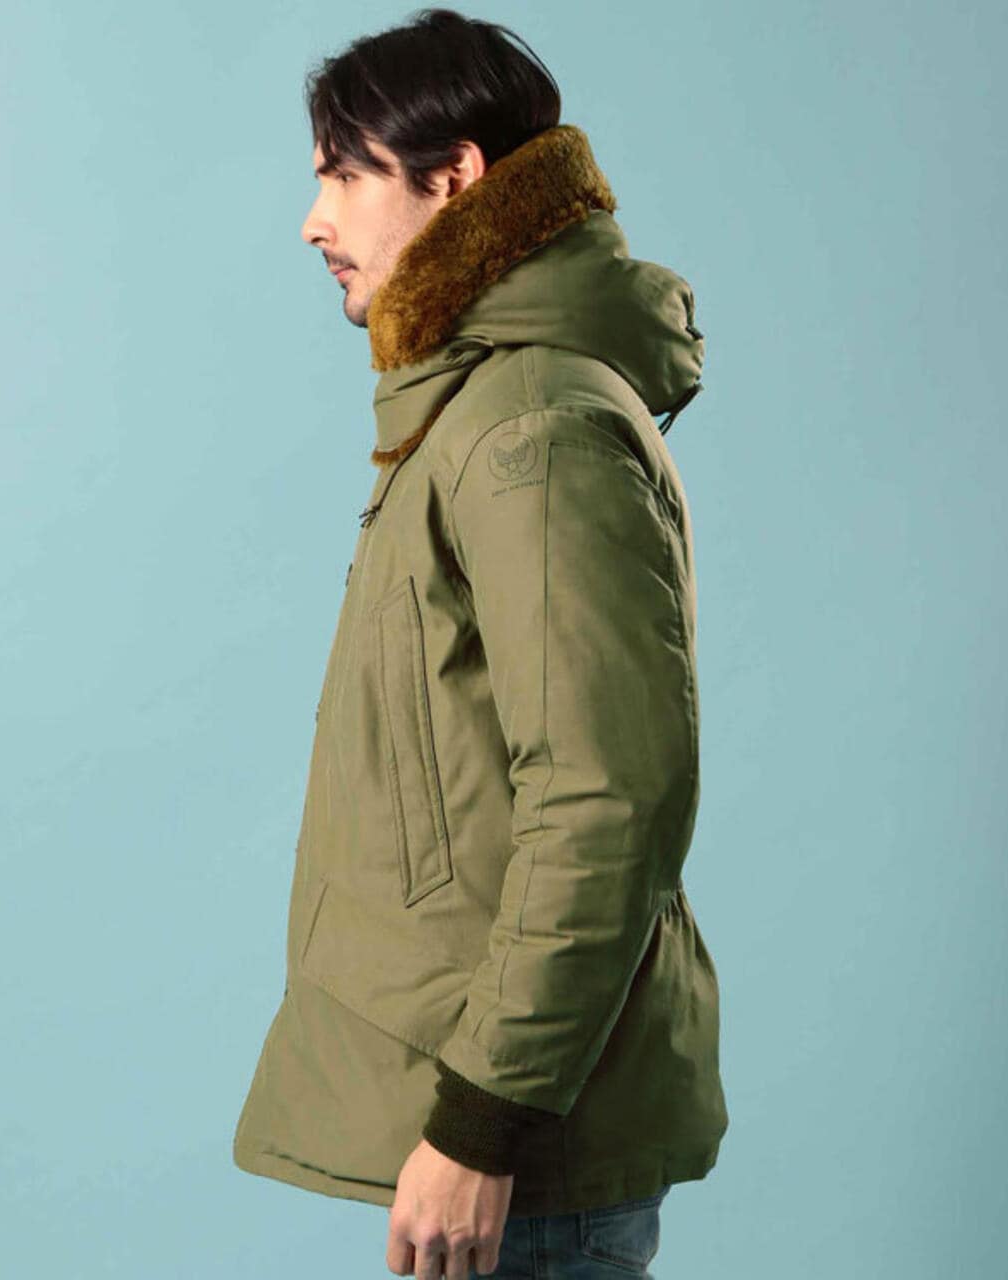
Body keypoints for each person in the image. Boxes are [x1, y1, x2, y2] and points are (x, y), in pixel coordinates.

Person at [232, 9, 729, 1277]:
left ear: (452, 178)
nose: (314, 222)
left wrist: (482, 1119)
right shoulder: (475, 409)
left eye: (343, 176)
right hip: (494, 1124)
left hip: (521, 1153)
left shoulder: (530, 427)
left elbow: (605, 796)